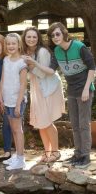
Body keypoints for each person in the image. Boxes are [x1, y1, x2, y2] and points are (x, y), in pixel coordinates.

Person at [37, 22, 95, 168]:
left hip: (84, 90)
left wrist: (86, 89)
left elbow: (92, 68)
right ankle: (77, 154)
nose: (55, 37)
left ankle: (85, 156)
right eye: (52, 35)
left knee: (84, 124)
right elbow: (51, 70)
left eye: (58, 34)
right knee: (75, 125)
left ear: (64, 33)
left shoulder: (79, 47)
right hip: (72, 90)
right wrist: (34, 64)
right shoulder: (56, 50)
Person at [21, 26, 65, 163]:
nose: (31, 39)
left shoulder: (43, 52)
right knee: (40, 121)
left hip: (49, 88)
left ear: (38, 38)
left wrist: (29, 65)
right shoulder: (26, 52)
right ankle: (47, 152)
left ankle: (56, 152)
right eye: (28, 36)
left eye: (34, 37)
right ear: (24, 38)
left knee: (46, 120)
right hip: (37, 88)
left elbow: (43, 73)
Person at [0, 33, 27, 170]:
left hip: (17, 100)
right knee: (13, 129)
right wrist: (0, 96)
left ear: (19, 45)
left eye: (13, 43)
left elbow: (23, 85)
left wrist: (18, 104)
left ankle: (21, 159)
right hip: (7, 99)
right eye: (8, 44)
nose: (11, 46)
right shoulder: (6, 60)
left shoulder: (22, 62)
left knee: (17, 129)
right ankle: (17, 155)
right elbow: (3, 79)